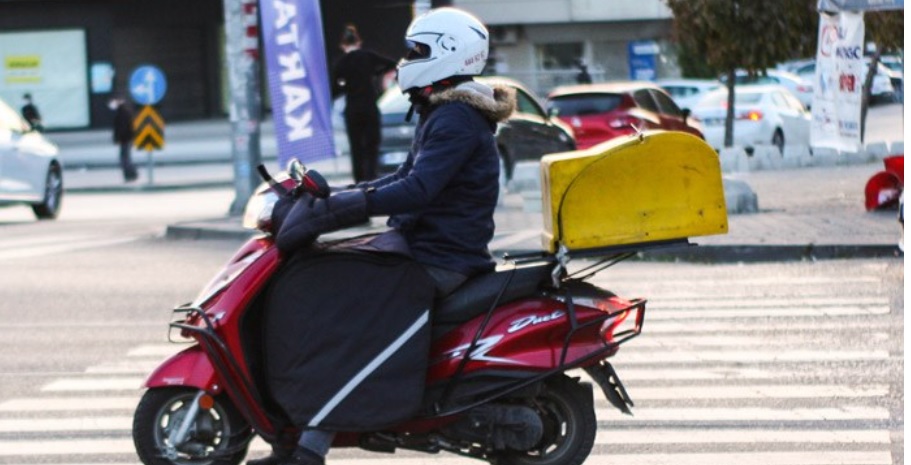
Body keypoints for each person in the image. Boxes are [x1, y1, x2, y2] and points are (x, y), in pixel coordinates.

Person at [252, 7, 515, 465]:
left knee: (342, 314)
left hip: (440, 259)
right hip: (424, 247)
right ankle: (299, 430)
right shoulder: (445, 111)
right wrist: (343, 195)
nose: (405, 58)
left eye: (417, 50)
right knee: (325, 279)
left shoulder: (455, 118)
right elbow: (404, 175)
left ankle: (310, 446)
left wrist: (346, 206)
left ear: (449, 54)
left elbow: (417, 190)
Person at [331, 24, 397, 184]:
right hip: (369, 106)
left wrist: (346, 86)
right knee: (372, 146)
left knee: (356, 148)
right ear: (359, 42)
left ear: (343, 45)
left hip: (352, 109)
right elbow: (391, 63)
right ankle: (371, 179)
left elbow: (334, 89)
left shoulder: (341, 63)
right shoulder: (368, 56)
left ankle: (359, 181)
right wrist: (375, 74)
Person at [110, 97, 138, 182]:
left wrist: (117, 138)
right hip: (127, 139)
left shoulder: (121, 113)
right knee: (126, 158)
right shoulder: (124, 112)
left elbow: (121, 128)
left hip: (125, 139)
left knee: (124, 158)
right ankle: (131, 174)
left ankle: (130, 175)